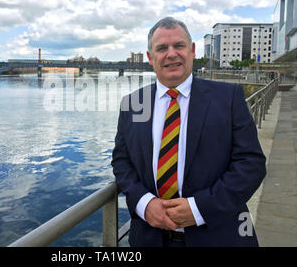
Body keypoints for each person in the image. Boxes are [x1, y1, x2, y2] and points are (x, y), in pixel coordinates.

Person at [111, 17, 266, 247]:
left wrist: (199, 209)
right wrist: (144, 204)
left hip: (219, 237)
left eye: (179, 46)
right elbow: (122, 162)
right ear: (150, 57)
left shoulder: (229, 97)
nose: (171, 54)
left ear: (192, 50)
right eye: (162, 48)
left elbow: (251, 164)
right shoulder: (132, 104)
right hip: (150, 238)